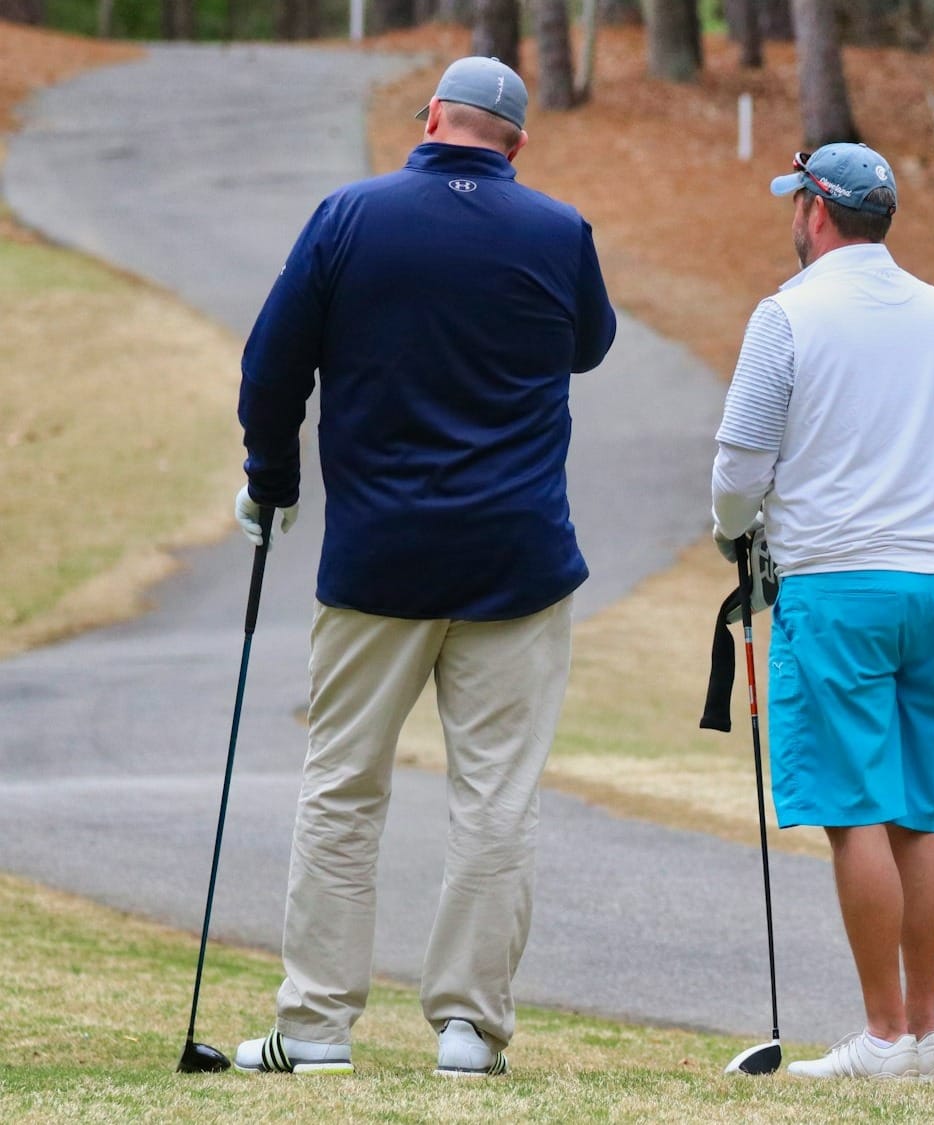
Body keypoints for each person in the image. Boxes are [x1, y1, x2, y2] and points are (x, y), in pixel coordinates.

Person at [230, 56, 616, 1078]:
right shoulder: (558, 232)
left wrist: (270, 480)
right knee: (494, 799)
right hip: (518, 560)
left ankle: (313, 1026)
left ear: (433, 118)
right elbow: (589, 347)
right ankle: (467, 1031)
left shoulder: (347, 217)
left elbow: (272, 365)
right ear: (516, 144)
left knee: (342, 790)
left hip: (376, 560)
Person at [710, 144, 934, 1082]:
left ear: (817, 211)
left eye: (797, 202)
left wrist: (730, 529)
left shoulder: (786, 316)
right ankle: (929, 1032)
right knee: (916, 808)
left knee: (854, 809)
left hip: (837, 581)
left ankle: (886, 1034)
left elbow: (741, 463)